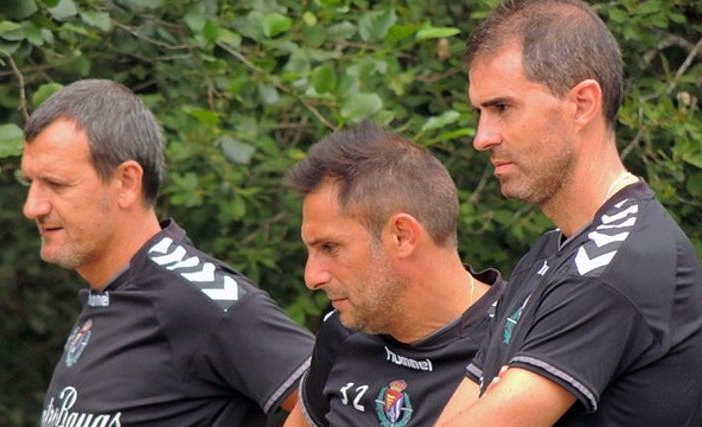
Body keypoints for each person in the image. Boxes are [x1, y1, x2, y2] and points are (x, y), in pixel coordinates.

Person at [434, 1, 702, 425]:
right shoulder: (548, 253)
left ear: (582, 104)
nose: (481, 138)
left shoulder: (616, 263)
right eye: (479, 113)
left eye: (502, 108)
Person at [20, 79, 314, 427]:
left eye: (56, 184)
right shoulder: (110, 294)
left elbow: (341, 402)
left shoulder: (199, 297)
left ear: (126, 182)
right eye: (30, 183)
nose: (32, 207)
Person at [281, 122, 506, 427]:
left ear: (402, 236)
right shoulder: (342, 331)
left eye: (330, 247)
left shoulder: (519, 340)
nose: (313, 277)